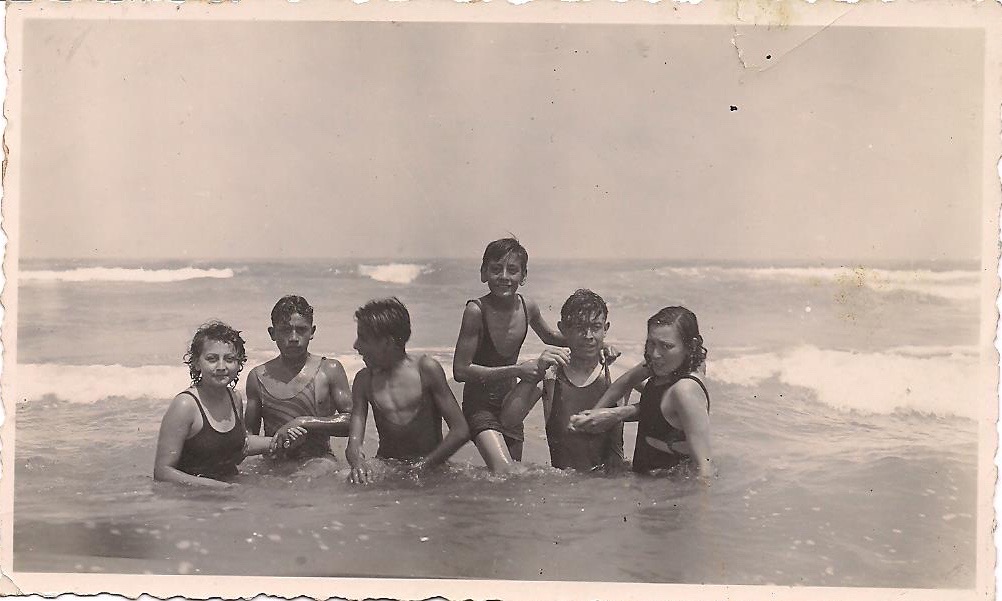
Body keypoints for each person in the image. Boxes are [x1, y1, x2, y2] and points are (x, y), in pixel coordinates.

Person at [453, 237, 576, 472]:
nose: (504, 277)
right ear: (483, 273)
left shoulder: (528, 306)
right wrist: (518, 370)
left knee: (510, 484)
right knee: (505, 471)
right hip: (480, 406)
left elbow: (551, 337)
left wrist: (595, 343)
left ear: (524, 276)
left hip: (512, 405)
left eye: (512, 270)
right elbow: (460, 371)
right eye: (496, 269)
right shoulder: (475, 311)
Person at [570, 306, 713, 481]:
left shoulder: (685, 390)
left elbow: (704, 468)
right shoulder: (662, 365)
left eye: (666, 346)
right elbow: (626, 381)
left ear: (689, 346)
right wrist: (594, 413)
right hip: (646, 480)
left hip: (668, 488)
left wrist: (703, 508)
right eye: (651, 343)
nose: (655, 354)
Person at [154, 321, 298, 488]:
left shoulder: (234, 398)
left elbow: (240, 445)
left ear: (239, 364)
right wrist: (220, 488)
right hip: (192, 500)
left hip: (229, 489)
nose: (221, 366)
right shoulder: (185, 405)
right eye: (212, 359)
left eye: (229, 359)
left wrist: (280, 439)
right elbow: (163, 472)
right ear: (196, 363)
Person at [347, 298, 470, 485]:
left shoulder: (426, 369)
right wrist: (357, 462)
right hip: (387, 464)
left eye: (363, 338)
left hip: (430, 465)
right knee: (348, 484)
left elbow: (460, 431)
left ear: (387, 342)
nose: (356, 345)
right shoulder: (364, 380)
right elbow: (354, 441)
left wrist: (423, 467)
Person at [500, 289, 625, 472]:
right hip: (565, 491)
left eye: (595, 327)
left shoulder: (617, 373)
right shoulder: (551, 376)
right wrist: (535, 374)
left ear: (605, 329)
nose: (588, 336)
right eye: (579, 327)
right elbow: (508, 420)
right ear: (563, 329)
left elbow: (660, 404)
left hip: (611, 489)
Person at [245, 295, 353, 460]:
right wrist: (279, 441)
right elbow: (247, 438)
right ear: (272, 333)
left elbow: (352, 422)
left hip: (318, 461)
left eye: (301, 330)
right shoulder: (258, 377)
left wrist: (304, 423)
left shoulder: (328, 370)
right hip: (274, 463)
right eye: (286, 330)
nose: (294, 338)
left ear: (312, 332)